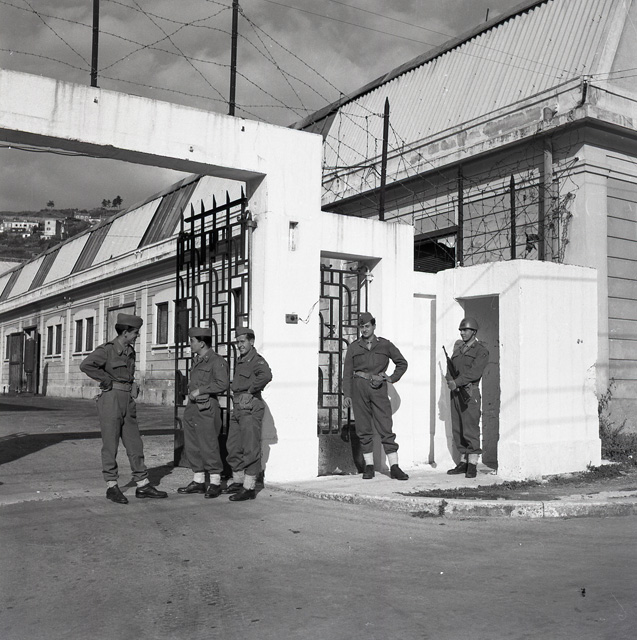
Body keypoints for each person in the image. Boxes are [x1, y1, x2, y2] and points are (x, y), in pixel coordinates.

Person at [80, 312, 167, 504]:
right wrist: (105, 380)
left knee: (135, 443)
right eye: (135, 332)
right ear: (125, 332)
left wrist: (132, 385)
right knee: (110, 444)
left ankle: (142, 484)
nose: (137, 335)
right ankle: (111, 485)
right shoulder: (108, 350)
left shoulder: (130, 351)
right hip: (111, 399)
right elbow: (86, 365)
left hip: (127, 400)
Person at [342, 312, 409, 480]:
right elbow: (347, 373)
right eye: (362, 327)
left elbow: (402, 363)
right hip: (359, 388)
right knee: (363, 428)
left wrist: (391, 378)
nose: (364, 329)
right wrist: (347, 394)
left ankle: (394, 467)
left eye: (367, 326)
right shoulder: (354, 347)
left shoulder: (385, 345)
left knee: (385, 426)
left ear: (374, 326)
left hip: (378, 388)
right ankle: (369, 466)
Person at [177, 327, 230, 499]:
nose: (190, 344)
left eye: (192, 341)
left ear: (201, 343)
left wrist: (201, 390)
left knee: (209, 445)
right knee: (192, 444)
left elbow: (222, 384)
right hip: (193, 407)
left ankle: (215, 482)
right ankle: (198, 481)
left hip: (207, 407)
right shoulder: (197, 360)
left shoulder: (216, 361)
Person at [225, 326, 272, 501]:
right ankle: (238, 481)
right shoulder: (241, 360)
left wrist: (250, 391)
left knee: (250, 447)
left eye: (242, 341)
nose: (240, 345)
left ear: (251, 342)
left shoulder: (256, 360)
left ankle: (249, 487)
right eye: (237, 342)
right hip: (238, 406)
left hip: (250, 407)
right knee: (233, 445)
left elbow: (266, 375)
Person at [445, 317, 489, 479]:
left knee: (470, 428)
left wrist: (457, 382)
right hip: (456, 393)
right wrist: (450, 380)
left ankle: (472, 464)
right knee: (458, 428)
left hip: (470, 393)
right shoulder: (458, 349)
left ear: (474, 332)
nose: (462, 333)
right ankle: (463, 462)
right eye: (461, 330)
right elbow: (450, 369)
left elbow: (475, 373)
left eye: (465, 330)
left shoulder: (481, 351)